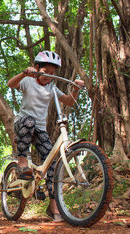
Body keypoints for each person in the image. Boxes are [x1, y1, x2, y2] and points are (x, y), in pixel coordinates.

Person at [7, 50, 84, 222]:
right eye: (45, 72)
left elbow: (69, 101)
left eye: (52, 74)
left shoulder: (51, 88)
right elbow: (10, 84)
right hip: (23, 124)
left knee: (53, 164)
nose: (49, 76)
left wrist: (76, 89)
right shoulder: (27, 81)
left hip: (40, 129)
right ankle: (22, 162)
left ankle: (54, 207)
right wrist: (23, 73)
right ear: (36, 68)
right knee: (29, 122)